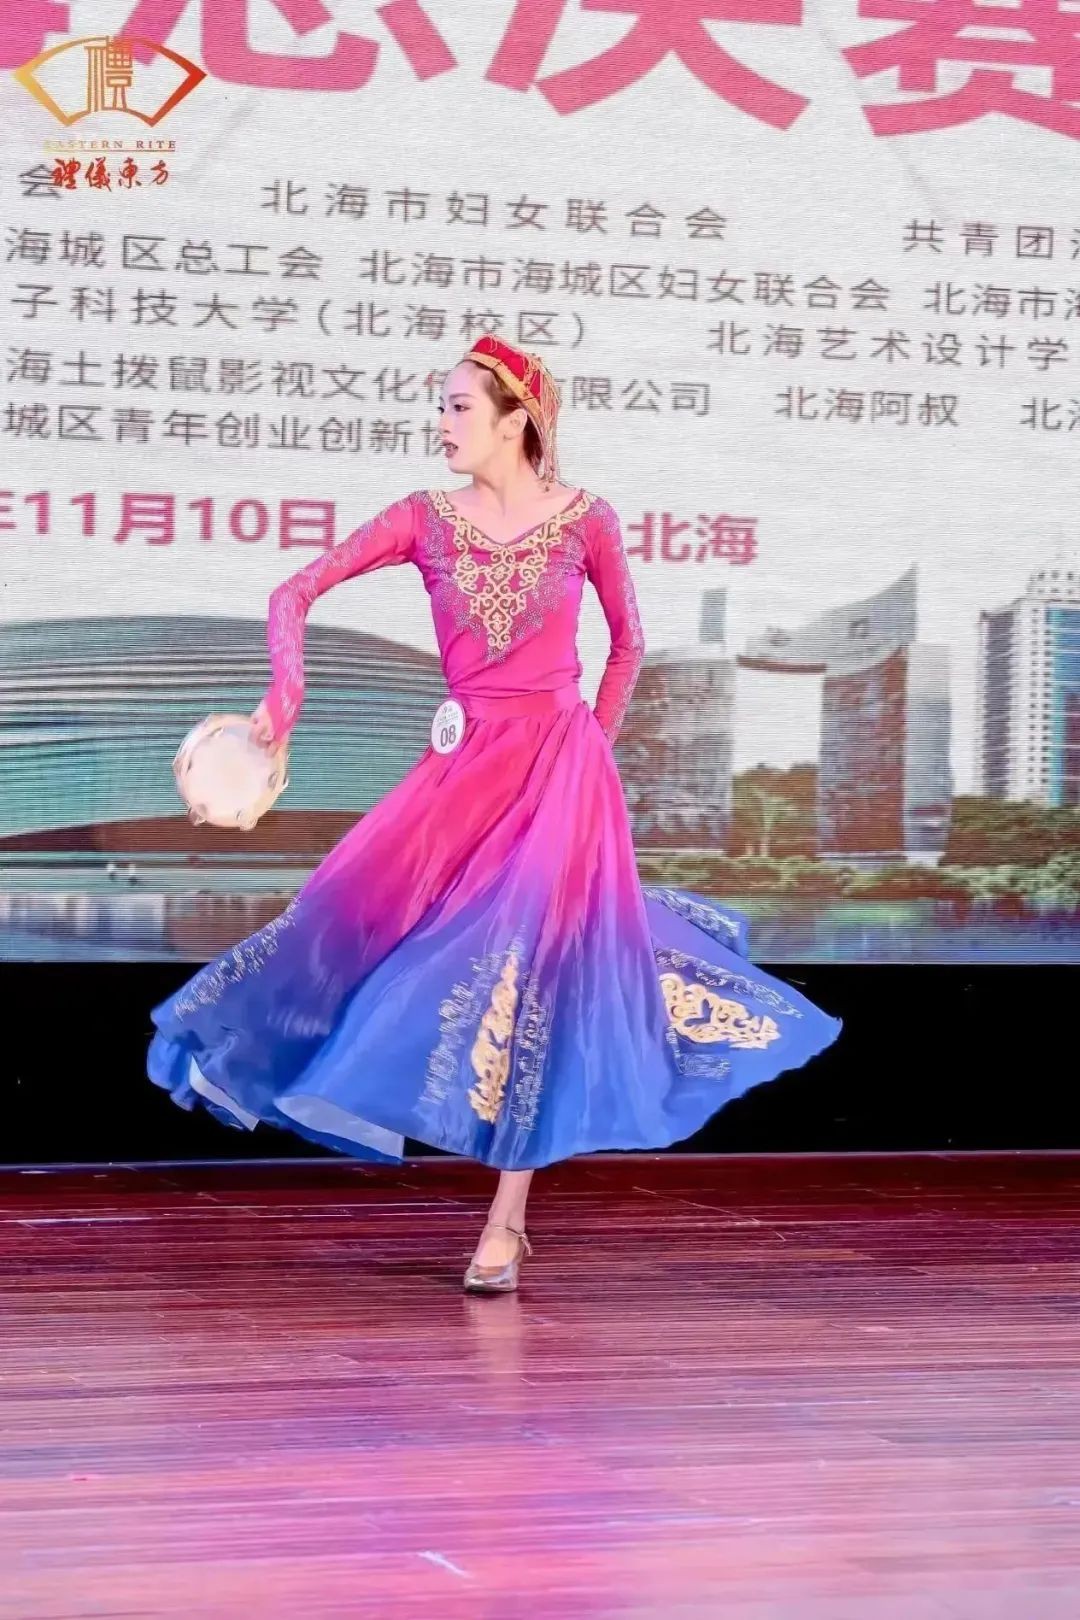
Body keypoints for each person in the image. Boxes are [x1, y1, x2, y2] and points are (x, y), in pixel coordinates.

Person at [148, 336, 841, 1294]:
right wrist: (284, 699)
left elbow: (629, 644)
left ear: (517, 421)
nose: (442, 423)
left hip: (562, 769)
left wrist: (592, 750)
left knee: (538, 971)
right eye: (442, 406)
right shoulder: (422, 519)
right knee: (354, 919)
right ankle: (260, 1052)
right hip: (465, 765)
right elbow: (293, 591)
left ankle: (505, 1223)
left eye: (459, 407)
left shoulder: (586, 519)